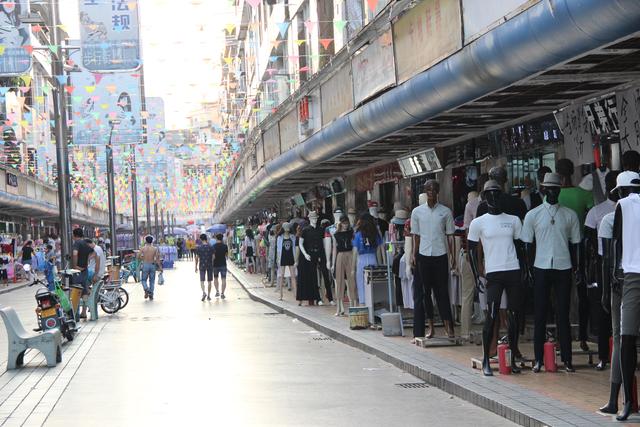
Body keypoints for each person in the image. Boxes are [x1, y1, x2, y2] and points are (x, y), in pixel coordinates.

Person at [521, 173, 581, 373]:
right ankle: (538, 359)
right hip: (541, 266)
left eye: (556, 188)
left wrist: (577, 267)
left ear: (560, 190)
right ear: (544, 189)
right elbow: (527, 245)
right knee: (540, 314)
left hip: (563, 267)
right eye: (549, 188)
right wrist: (528, 269)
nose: (553, 192)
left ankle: (567, 359)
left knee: (562, 314)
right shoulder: (534, 215)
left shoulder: (569, 215)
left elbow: (576, 245)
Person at [468, 180, 526, 376]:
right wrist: (477, 275)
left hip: (513, 269)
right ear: (484, 198)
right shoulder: (479, 222)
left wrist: (525, 269)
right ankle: (486, 358)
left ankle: (512, 358)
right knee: (492, 316)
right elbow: (470, 250)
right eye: (489, 194)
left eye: (497, 193)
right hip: (493, 272)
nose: (494, 197)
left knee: (513, 316)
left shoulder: (513, 220)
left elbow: (521, 247)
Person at [597, 171, 640, 416]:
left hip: (621, 278)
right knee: (622, 338)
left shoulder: (611, 217)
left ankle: (617, 399)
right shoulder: (610, 219)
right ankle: (617, 399)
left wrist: (606, 287)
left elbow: (607, 258)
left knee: (621, 338)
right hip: (620, 279)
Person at [556, 158, 594, 352]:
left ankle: (562, 338)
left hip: (559, 249)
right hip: (579, 249)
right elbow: (592, 215)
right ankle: (583, 338)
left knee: (561, 294)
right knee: (581, 293)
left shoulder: (553, 196)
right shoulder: (583, 194)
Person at [411, 180, 456, 339]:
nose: (431, 192)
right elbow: (416, 236)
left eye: (434, 189)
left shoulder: (445, 212)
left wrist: (453, 257)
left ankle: (448, 326)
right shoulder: (417, 212)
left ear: (438, 191)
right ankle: (430, 327)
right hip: (423, 255)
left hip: (440, 254)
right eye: (428, 189)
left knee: (442, 292)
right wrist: (413, 255)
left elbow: (450, 236)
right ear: (424, 191)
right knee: (425, 293)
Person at [612, 170, 640, 421]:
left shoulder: (622, 204)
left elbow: (616, 241)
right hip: (630, 273)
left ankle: (628, 401)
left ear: (621, 190)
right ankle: (629, 401)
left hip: (631, 273)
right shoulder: (625, 203)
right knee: (628, 338)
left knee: (627, 337)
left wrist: (614, 272)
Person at [584, 170, 618, 371]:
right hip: (602, 262)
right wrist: (587, 269)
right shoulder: (597, 212)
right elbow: (588, 244)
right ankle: (603, 356)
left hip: (625, 262)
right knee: (603, 310)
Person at [353, 213, 383, 306]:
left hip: (361, 260)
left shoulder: (357, 235)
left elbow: (355, 252)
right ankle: (373, 304)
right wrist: (381, 263)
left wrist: (353, 267)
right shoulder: (376, 234)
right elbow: (379, 250)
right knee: (373, 284)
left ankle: (363, 304)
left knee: (361, 283)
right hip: (373, 258)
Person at [71, 228, 98, 319]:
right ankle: (84, 312)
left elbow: (75, 254)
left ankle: (76, 314)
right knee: (85, 290)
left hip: (77, 271)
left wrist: (75, 266)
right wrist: (87, 261)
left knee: (76, 291)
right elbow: (94, 253)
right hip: (85, 270)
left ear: (74, 235)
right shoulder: (85, 244)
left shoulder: (77, 243)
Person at [332, 215, 356, 316]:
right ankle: (338, 308)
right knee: (339, 281)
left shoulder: (351, 232)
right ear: (340, 223)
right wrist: (333, 263)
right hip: (340, 256)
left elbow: (354, 246)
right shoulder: (336, 234)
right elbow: (334, 249)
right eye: (343, 223)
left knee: (351, 281)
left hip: (350, 254)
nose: (345, 225)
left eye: (346, 223)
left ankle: (352, 306)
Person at [139, 235, 162, 300]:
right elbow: (157, 259)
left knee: (143, 280)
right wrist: (160, 267)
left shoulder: (143, 248)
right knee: (152, 281)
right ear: (152, 241)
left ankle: (146, 289)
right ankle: (151, 294)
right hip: (152, 265)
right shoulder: (155, 249)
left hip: (145, 264)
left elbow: (138, 256)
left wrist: (143, 258)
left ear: (146, 241)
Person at [195, 233, 215, 301]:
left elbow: (197, 258)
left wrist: (196, 266)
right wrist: (211, 262)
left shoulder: (199, 248)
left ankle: (204, 293)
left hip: (202, 265)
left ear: (201, 239)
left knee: (202, 281)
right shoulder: (211, 247)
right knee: (209, 281)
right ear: (206, 239)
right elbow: (213, 257)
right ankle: (209, 295)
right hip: (209, 266)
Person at [212, 234, 228, 299]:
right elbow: (226, 256)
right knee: (223, 279)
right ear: (222, 238)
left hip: (215, 265)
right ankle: (222, 293)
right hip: (223, 264)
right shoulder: (225, 246)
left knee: (215, 278)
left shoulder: (213, 246)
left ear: (216, 238)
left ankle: (217, 291)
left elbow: (213, 257)